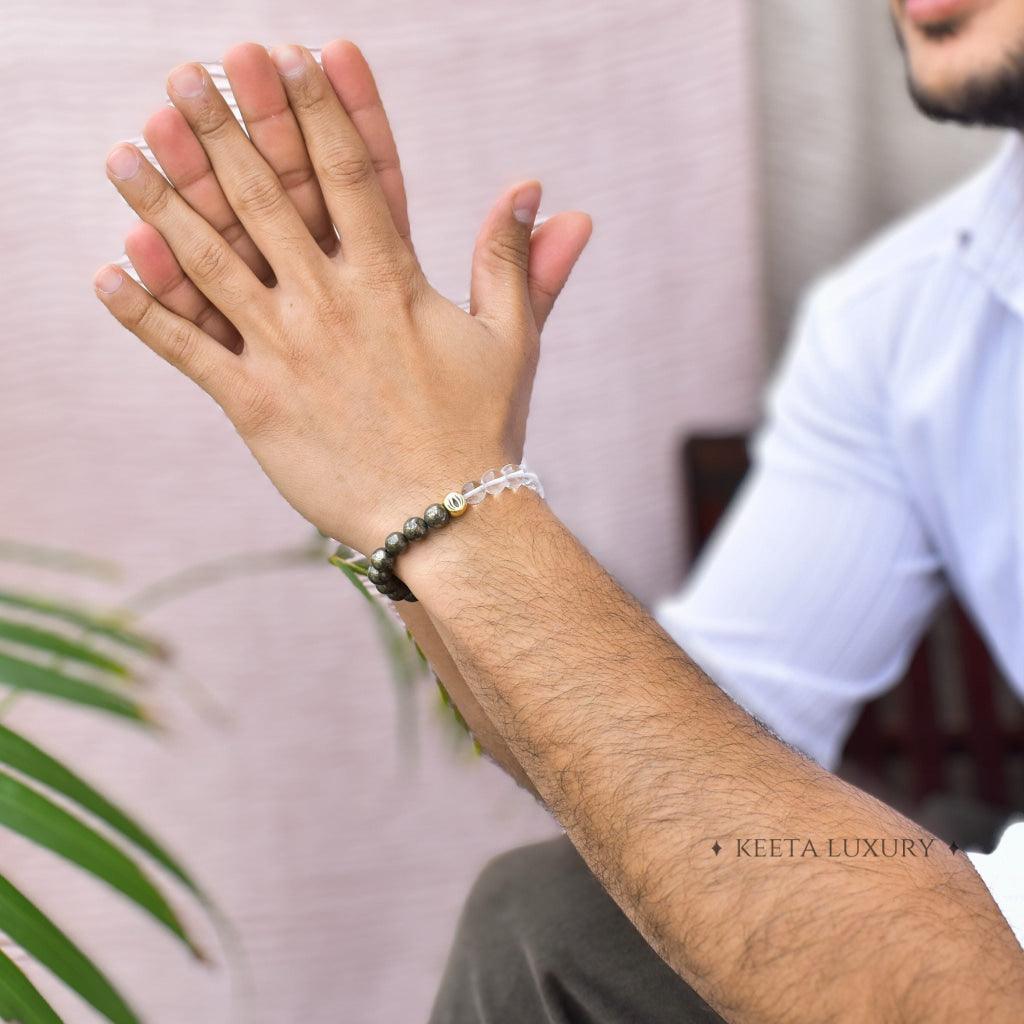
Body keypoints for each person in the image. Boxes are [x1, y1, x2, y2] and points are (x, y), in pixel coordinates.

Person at [90, 8, 1023, 1023]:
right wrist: (394, 489)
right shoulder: (910, 317)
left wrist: (448, 506)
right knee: (549, 916)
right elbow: (666, 771)